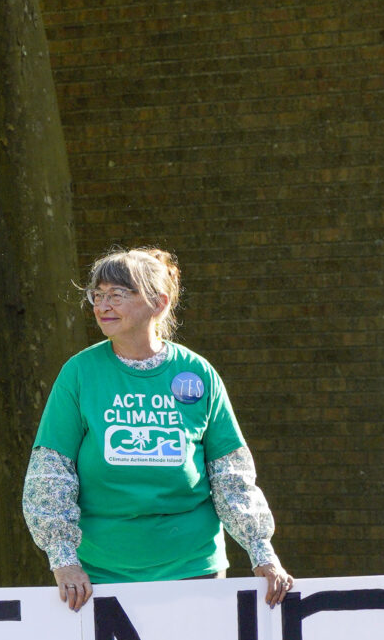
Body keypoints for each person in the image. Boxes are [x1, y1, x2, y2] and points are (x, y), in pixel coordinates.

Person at [24, 247, 293, 610]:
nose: (103, 305)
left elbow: (232, 476)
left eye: (117, 295)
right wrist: (63, 560)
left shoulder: (197, 374)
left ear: (158, 302)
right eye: (97, 295)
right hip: (100, 574)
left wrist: (262, 552)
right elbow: (50, 476)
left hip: (194, 568)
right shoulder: (79, 373)